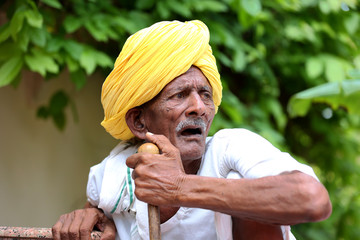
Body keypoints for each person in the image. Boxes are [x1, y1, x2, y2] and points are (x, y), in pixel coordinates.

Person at [52, 20, 332, 240]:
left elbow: (312, 199)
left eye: (205, 95)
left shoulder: (230, 148)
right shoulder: (111, 176)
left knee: (243, 183)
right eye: (179, 95)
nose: (199, 107)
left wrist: (179, 187)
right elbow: (96, 226)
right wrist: (85, 224)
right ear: (139, 122)